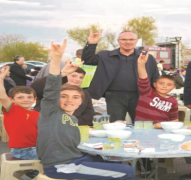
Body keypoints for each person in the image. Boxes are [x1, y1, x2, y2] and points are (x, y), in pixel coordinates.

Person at [37, 39, 134, 180]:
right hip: (62, 165)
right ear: (56, 99)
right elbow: (51, 87)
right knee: (127, 171)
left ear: (81, 101)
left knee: (114, 159)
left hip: (78, 157)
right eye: (64, 96)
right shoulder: (51, 113)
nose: (70, 100)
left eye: (75, 97)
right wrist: (56, 59)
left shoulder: (72, 118)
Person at [82, 30, 159, 122]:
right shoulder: (106, 55)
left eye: (131, 39)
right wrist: (91, 44)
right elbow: (88, 60)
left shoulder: (146, 57)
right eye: (124, 39)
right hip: (114, 96)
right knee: (116, 124)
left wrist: (156, 95)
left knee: (142, 123)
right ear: (118, 41)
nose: (128, 42)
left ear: (136, 41)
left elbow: (155, 77)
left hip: (140, 96)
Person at [0, 66, 38, 160]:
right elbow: (3, 96)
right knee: (55, 157)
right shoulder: (12, 110)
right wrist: (1, 78)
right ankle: (34, 172)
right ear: (11, 100)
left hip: (37, 147)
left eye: (29, 97)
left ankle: (33, 172)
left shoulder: (37, 113)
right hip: (22, 150)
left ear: (34, 99)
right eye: (20, 97)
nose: (26, 100)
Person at [135, 52, 179, 127]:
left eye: (169, 85)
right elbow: (143, 78)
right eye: (161, 83)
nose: (164, 86)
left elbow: (174, 119)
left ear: (173, 88)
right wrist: (141, 65)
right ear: (155, 84)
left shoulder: (173, 101)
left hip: (161, 130)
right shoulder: (147, 92)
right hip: (142, 128)